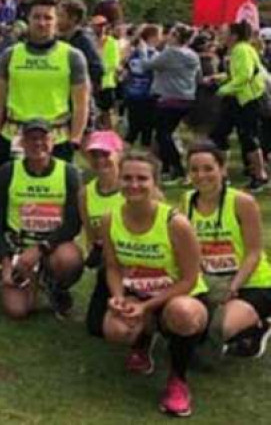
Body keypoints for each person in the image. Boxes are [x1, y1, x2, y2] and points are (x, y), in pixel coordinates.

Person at [100, 153, 208, 418]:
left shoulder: (175, 222)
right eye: (127, 177)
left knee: (181, 314)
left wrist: (147, 306)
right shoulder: (110, 218)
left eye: (142, 178)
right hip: (140, 295)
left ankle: (178, 380)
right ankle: (143, 344)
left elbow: (189, 279)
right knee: (114, 329)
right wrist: (118, 297)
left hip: (182, 297)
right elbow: (113, 266)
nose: (133, 184)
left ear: (155, 182)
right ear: (118, 179)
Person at [0, 119, 84, 319]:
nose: (37, 143)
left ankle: (55, 285)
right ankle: (30, 281)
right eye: (31, 139)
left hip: (53, 246)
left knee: (70, 259)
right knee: (17, 311)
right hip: (19, 247)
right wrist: (5, 260)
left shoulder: (69, 173)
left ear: (53, 141)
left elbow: (73, 224)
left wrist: (41, 248)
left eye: (43, 138)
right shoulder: (8, 172)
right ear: (22, 143)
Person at [183, 141, 271, 357]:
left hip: (251, 283)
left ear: (221, 169)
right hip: (210, 282)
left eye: (208, 168)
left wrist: (234, 286)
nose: (201, 175)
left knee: (219, 328)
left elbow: (253, 252)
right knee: (188, 323)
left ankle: (259, 326)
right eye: (194, 169)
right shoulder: (187, 201)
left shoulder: (242, 202)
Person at [0, 0, 90, 170]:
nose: (42, 23)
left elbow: (81, 104)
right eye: (36, 17)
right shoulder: (10, 55)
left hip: (56, 138)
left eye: (48, 17)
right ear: (28, 19)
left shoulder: (72, 56)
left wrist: (75, 140)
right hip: (14, 136)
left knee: (55, 195)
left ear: (56, 21)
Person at [209, 21, 268, 190]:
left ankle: (260, 176)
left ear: (234, 36)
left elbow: (244, 76)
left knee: (248, 138)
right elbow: (234, 74)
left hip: (247, 100)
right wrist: (219, 78)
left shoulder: (242, 50)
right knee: (219, 135)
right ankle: (222, 174)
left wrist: (222, 90)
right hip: (236, 99)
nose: (220, 35)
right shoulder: (237, 50)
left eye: (224, 32)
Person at [78, 131, 125, 337]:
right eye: (95, 155)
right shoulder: (85, 193)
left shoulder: (134, 187)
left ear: (119, 155)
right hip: (107, 264)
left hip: (134, 260)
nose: (100, 160)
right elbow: (90, 235)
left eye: (106, 154)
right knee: (95, 328)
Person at [142, 24, 199, 183]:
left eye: (171, 34)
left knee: (163, 134)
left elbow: (148, 65)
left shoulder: (170, 52)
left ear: (175, 37)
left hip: (169, 99)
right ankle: (167, 167)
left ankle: (178, 169)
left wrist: (143, 50)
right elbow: (198, 76)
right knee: (167, 133)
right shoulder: (192, 55)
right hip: (187, 98)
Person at [122, 24, 160, 148]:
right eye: (158, 35)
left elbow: (125, 70)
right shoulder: (154, 54)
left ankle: (122, 157)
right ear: (152, 37)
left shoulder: (133, 52)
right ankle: (145, 159)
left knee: (132, 129)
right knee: (147, 130)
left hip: (132, 93)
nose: (160, 39)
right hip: (148, 95)